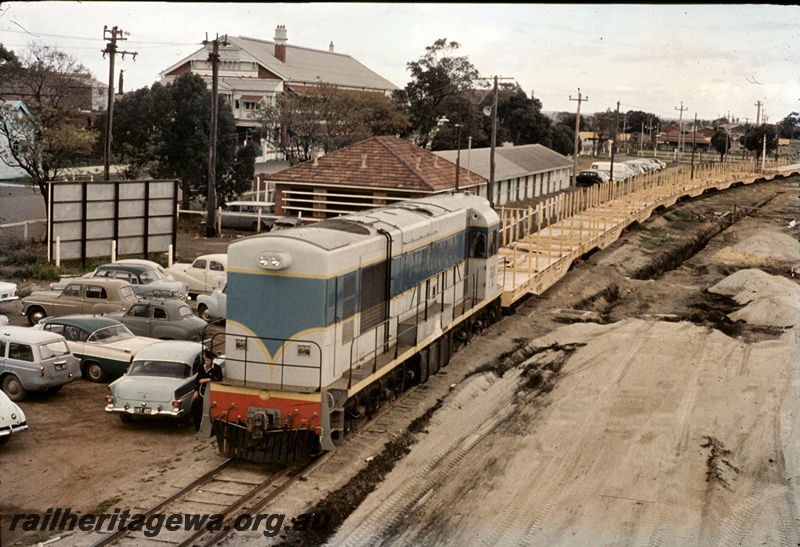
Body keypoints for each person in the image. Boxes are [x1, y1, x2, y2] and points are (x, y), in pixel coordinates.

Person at [192, 349, 223, 431]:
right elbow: (197, 379)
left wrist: (207, 379)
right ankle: (197, 425)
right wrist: (196, 390)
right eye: (205, 360)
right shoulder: (201, 367)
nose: (206, 362)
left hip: (210, 392)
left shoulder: (216, 368)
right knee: (195, 407)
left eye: (208, 360)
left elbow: (219, 378)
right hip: (201, 391)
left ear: (212, 360)